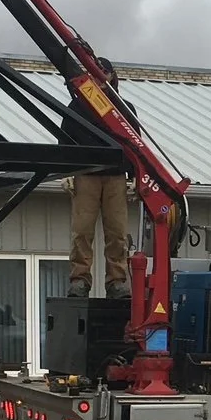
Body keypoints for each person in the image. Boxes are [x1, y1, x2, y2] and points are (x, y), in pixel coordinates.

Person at [68, 56, 133, 299]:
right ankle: (79, 280)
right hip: (86, 174)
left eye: (103, 71)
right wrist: (66, 172)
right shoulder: (77, 107)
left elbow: (135, 145)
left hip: (116, 176)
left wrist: (134, 176)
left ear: (112, 75)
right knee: (82, 232)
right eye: (95, 71)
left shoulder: (124, 109)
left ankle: (117, 281)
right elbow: (66, 139)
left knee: (116, 232)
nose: (100, 76)